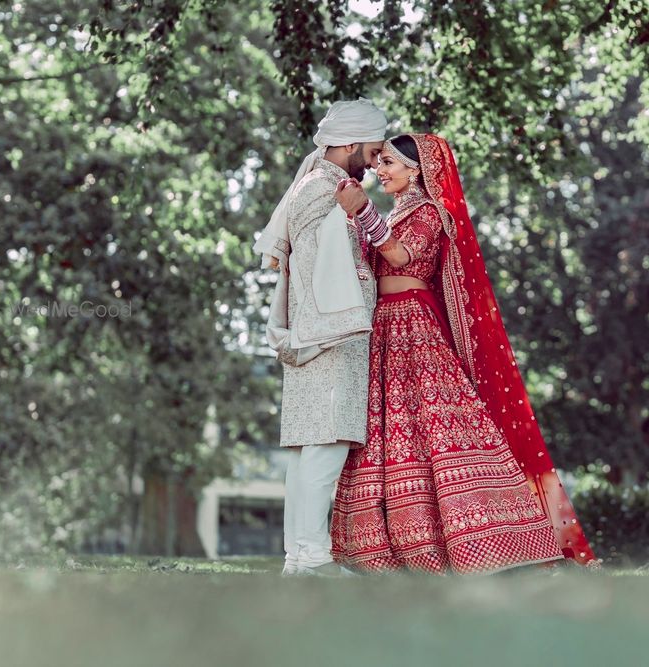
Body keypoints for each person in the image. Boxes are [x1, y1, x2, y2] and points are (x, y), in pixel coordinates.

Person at [329, 134, 597, 574]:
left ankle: (491, 540)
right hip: (382, 328)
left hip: (415, 327)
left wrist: (361, 210)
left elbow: (398, 256)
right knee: (389, 433)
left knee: (439, 429)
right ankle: (391, 548)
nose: (380, 169)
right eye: (380, 162)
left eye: (390, 162)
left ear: (416, 170)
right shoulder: (395, 213)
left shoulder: (432, 214)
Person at [253, 99, 386, 576]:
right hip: (331, 334)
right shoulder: (325, 189)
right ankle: (310, 558)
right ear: (349, 143)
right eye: (371, 151)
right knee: (324, 446)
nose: (375, 160)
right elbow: (313, 267)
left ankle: (300, 557)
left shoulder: (319, 184)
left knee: (311, 448)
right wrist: (325, 328)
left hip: (322, 332)